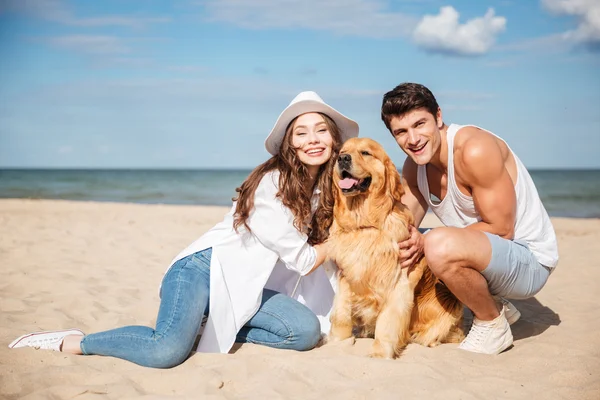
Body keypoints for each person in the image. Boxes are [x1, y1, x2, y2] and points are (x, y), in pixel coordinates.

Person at [9, 91, 359, 368]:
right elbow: (302, 259)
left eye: (321, 130)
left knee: (303, 332)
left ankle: (208, 323)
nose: (312, 139)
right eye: (302, 132)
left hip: (246, 285)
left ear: (333, 139)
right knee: (166, 351)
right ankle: (73, 341)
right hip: (204, 270)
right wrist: (344, 236)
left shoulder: (325, 191)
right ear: (291, 144)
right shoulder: (272, 184)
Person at [380, 82, 559, 355]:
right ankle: (494, 302)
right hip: (486, 255)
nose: (413, 139)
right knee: (397, 243)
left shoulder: (473, 149)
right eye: (401, 132)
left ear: (438, 116)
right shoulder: (414, 167)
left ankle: (491, 323)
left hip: (528, 261)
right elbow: (405, 225)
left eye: (420, 124)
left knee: (436, 244)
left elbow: (502, 229)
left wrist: (425, 240)